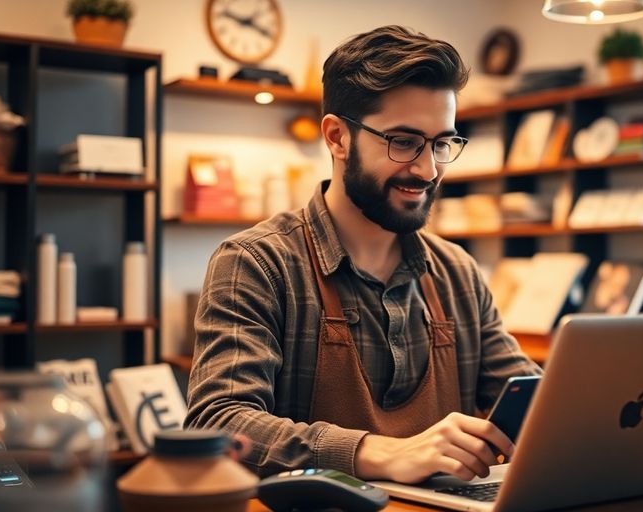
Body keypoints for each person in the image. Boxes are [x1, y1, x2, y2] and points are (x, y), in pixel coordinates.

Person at [185, 25, 542, 484]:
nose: (428, 169)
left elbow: (527, 399)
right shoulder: (256, 264)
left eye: (441, 143)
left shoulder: (458, 273)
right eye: (404, 141)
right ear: (337, 137)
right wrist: (378, 454)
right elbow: (218, 421)